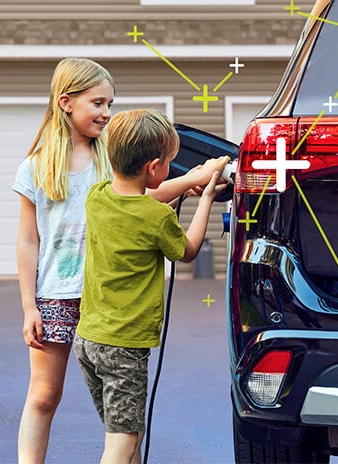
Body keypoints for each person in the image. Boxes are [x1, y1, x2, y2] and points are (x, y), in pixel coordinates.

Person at [13, 58, 227, 464]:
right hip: (58, 294)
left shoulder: (109, 159)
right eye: (98, 103)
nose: (107, 113)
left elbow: (138, 203)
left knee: (125, 416)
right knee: (44, 395)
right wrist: (29, 306)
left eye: (110, 103)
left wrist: (190, 181)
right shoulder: (36, 167)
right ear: (66, 102)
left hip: (109, 297)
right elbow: (28, 240)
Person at [74, 108, 225, 464]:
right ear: (155, 167)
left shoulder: (97, 196)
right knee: (122, 442)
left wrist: (189, 182)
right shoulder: (155, 218)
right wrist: (203, 197)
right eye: (169, 164)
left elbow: (143, 204)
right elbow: (186, 251)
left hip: (90, 340)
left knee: (126, 431)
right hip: (123, 347)